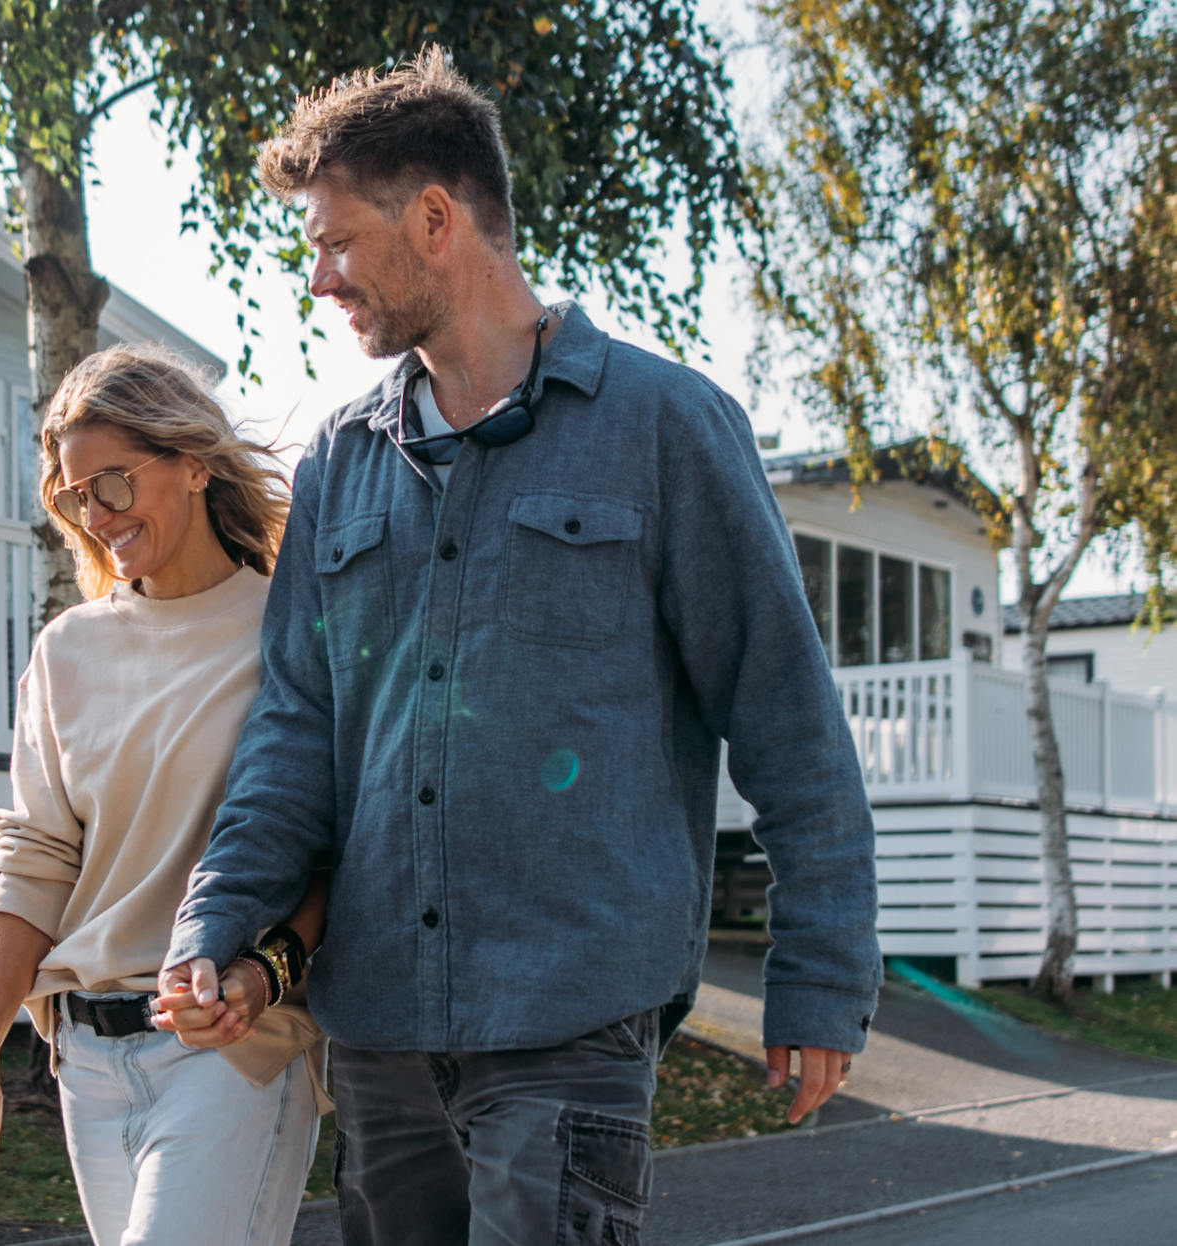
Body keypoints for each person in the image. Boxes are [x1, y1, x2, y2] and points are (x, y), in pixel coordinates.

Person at [155, 48, 883, 1246]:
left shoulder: (666, 428)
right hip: (378, 1035)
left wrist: (819, 973)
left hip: (570, 1020)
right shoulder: (337, 463)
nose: (317, 275)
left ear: (434, 218)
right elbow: (292, 729)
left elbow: (785, 715)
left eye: (335, 241)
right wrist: (216, 921)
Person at [0, 343, 328, 1246]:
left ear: (192, 463)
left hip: (229, 1049)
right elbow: (35, 865)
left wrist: (262, 977)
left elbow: (334, 847)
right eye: (76, 497)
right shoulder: (66, 653)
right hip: (89, 1062)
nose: (97, 516)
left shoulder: (288, 630)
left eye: (113, 483)